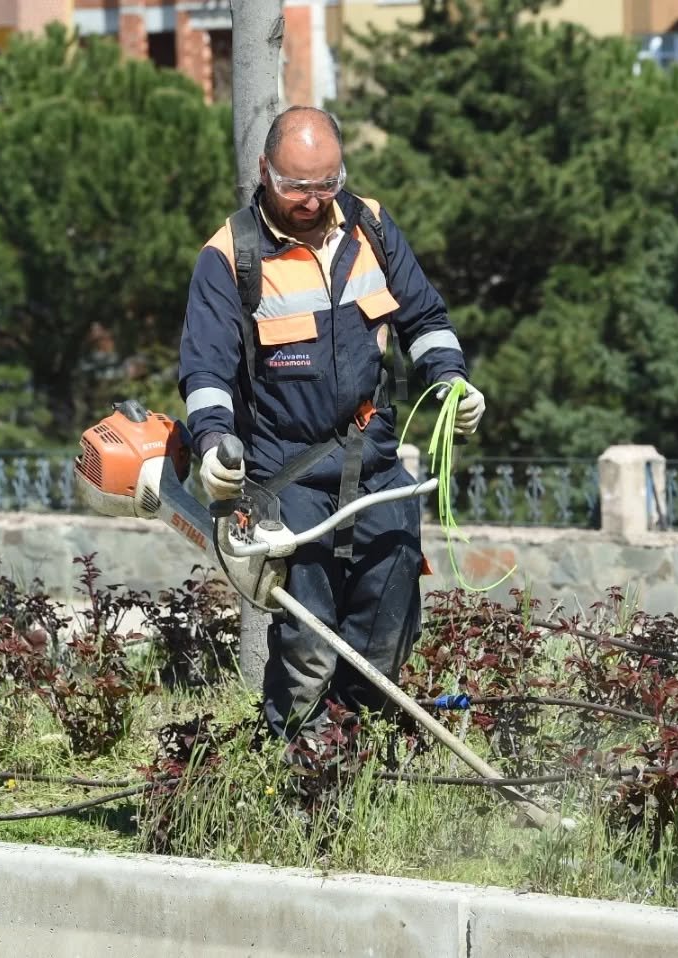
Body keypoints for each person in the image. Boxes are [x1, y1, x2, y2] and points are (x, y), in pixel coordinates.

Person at [177, 106, 485, 747]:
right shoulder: (230, 257)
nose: (312, 202)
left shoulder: (369, 226)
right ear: (265, 171)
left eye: (325, 185)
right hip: (287, 474)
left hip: (374, 460)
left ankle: (358, 753)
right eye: (295, 187)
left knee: (389, 613)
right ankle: (298, 762)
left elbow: (423, 321)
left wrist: (452, 382)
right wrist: (211, 442)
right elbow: (205, 367)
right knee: (308, 633)